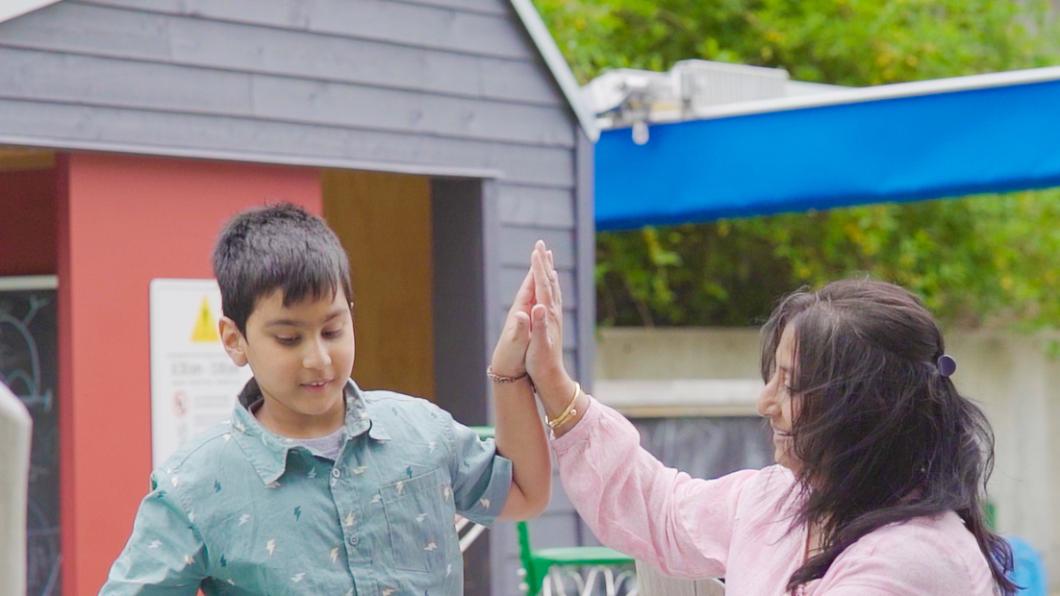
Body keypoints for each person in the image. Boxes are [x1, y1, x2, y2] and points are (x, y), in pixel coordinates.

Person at [517, 240, 1016, 595]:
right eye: (771, 377)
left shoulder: (910, 560)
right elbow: (660, 509)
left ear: (864, 409)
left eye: (791, 385)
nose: (765, 402)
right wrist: (554, 382)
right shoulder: (783, 499)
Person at [101, 204, 551, 594]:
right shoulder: (194, 488)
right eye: (289, 338)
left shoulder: (422, 432)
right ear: (234, 340)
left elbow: (523, 492)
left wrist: (510, 372)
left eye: (332, 331)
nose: (318, 359)